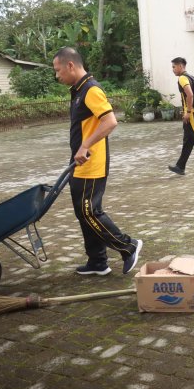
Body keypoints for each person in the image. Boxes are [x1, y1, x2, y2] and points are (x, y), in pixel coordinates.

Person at [53, 47, 142, 276]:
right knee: (83, 214)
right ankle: (97, 262)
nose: (57, 75)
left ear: (70, 65)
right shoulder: (78, 90)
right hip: (80, 164)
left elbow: (110, 122)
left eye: (58, 70)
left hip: (92, 164)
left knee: (89, 212)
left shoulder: (91, 89)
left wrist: (85, 146)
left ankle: (128, 246)